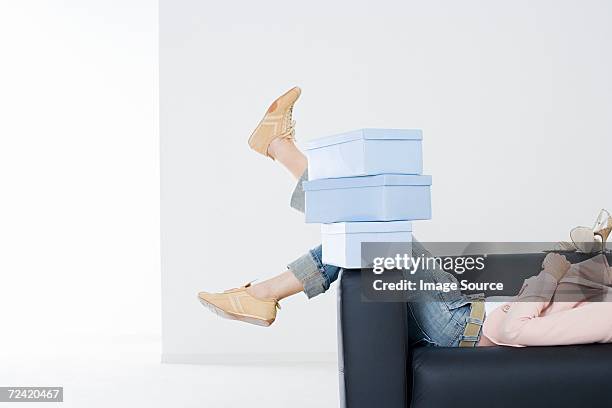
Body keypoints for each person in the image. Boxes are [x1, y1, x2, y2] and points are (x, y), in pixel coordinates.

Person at [198, 87, 612, 347]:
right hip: (461, 307)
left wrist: (552, 274)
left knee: (376, 232)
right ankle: (265, 288)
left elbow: (516, 331)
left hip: (459, 328)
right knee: (373, 230)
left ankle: (280, 152)